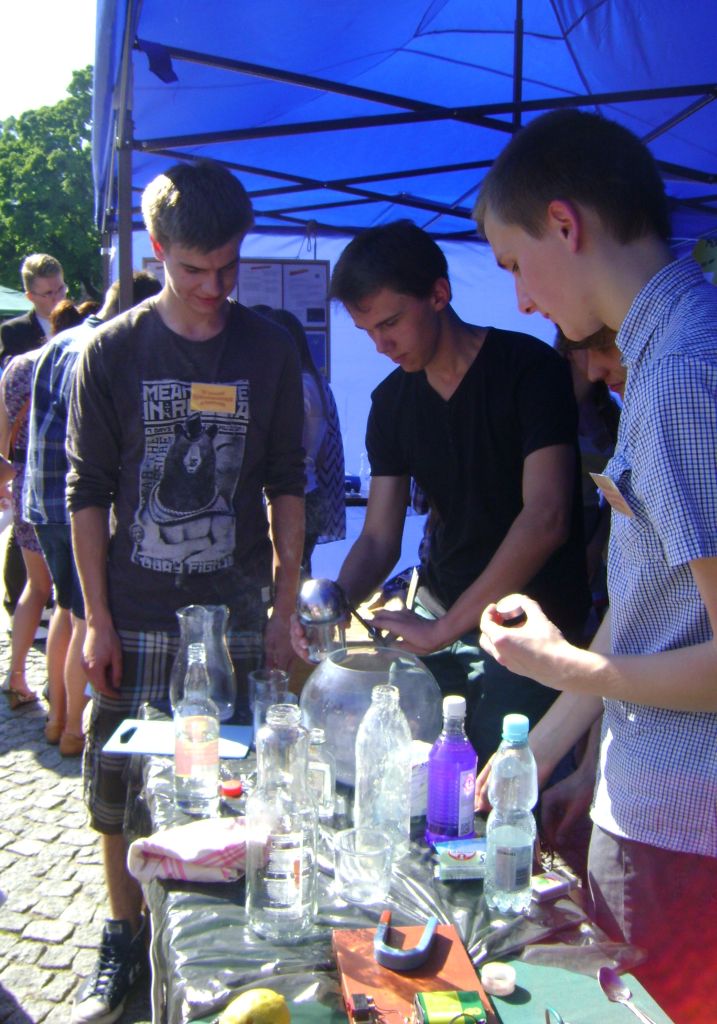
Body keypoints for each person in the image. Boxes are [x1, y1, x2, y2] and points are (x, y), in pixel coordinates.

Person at [474, 109, 717, 1023]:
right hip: (662, 814)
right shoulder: (672, 350)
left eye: (513, 264)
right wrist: (543, 747)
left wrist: (562, 666)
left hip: (683, 832)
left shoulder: (681, 372)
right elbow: (660, 595)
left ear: (563, 224)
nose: (520, 301)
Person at [65, 160, 305, 1024]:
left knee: (232, 790)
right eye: (195, 269)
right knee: (120, 792)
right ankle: (122, 936)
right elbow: (87, 492)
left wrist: (284, 607)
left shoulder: (268, 348)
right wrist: (94, 619)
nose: (214, 288)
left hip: (235, 611)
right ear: (156, 248)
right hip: (136, 609)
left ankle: (222, 944)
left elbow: (287, 481)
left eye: (229, 267)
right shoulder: (111, 350)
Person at [292, 219, 590, 766]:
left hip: (530, 625)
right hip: (440, 612)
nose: (382, 345)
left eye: (390, 323)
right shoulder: (391, 403)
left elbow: (546, 517)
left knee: (505, 791)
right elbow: (378, 538)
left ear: (438, 294)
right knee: (421, 779)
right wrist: (334, 603)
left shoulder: (530, 370)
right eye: (367, 332)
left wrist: (445, 629)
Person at [23, 272, 162, 755]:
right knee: (88, 618)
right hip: (78, 505)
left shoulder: (61, 341)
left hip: (43, 499)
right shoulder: (104, 348)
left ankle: (56, 720)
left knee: (67, 608)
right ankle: (73, 731)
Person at [0, 254, 66, 623]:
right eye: (47, 293)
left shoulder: (75, 319)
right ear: (30, 296)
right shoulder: (15, 332)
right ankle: (16, 603)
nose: (56, 298)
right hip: (27, 449)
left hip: (58, 449)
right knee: (23, 534)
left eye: (60, 289)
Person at [261, 308, 346, 576]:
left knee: (288, 577)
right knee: (295, 572)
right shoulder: (311, 380)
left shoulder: (299, 384)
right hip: (308, 491)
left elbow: (288, 447)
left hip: (298, 494)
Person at [0, 342, 55, 708]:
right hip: (65, 486)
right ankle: (59, 684)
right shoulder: (83, 356)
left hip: (24, 482)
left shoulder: (19, 366)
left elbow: (2, 434)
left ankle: (16, 673)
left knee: (35, 586)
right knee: (70, 597)